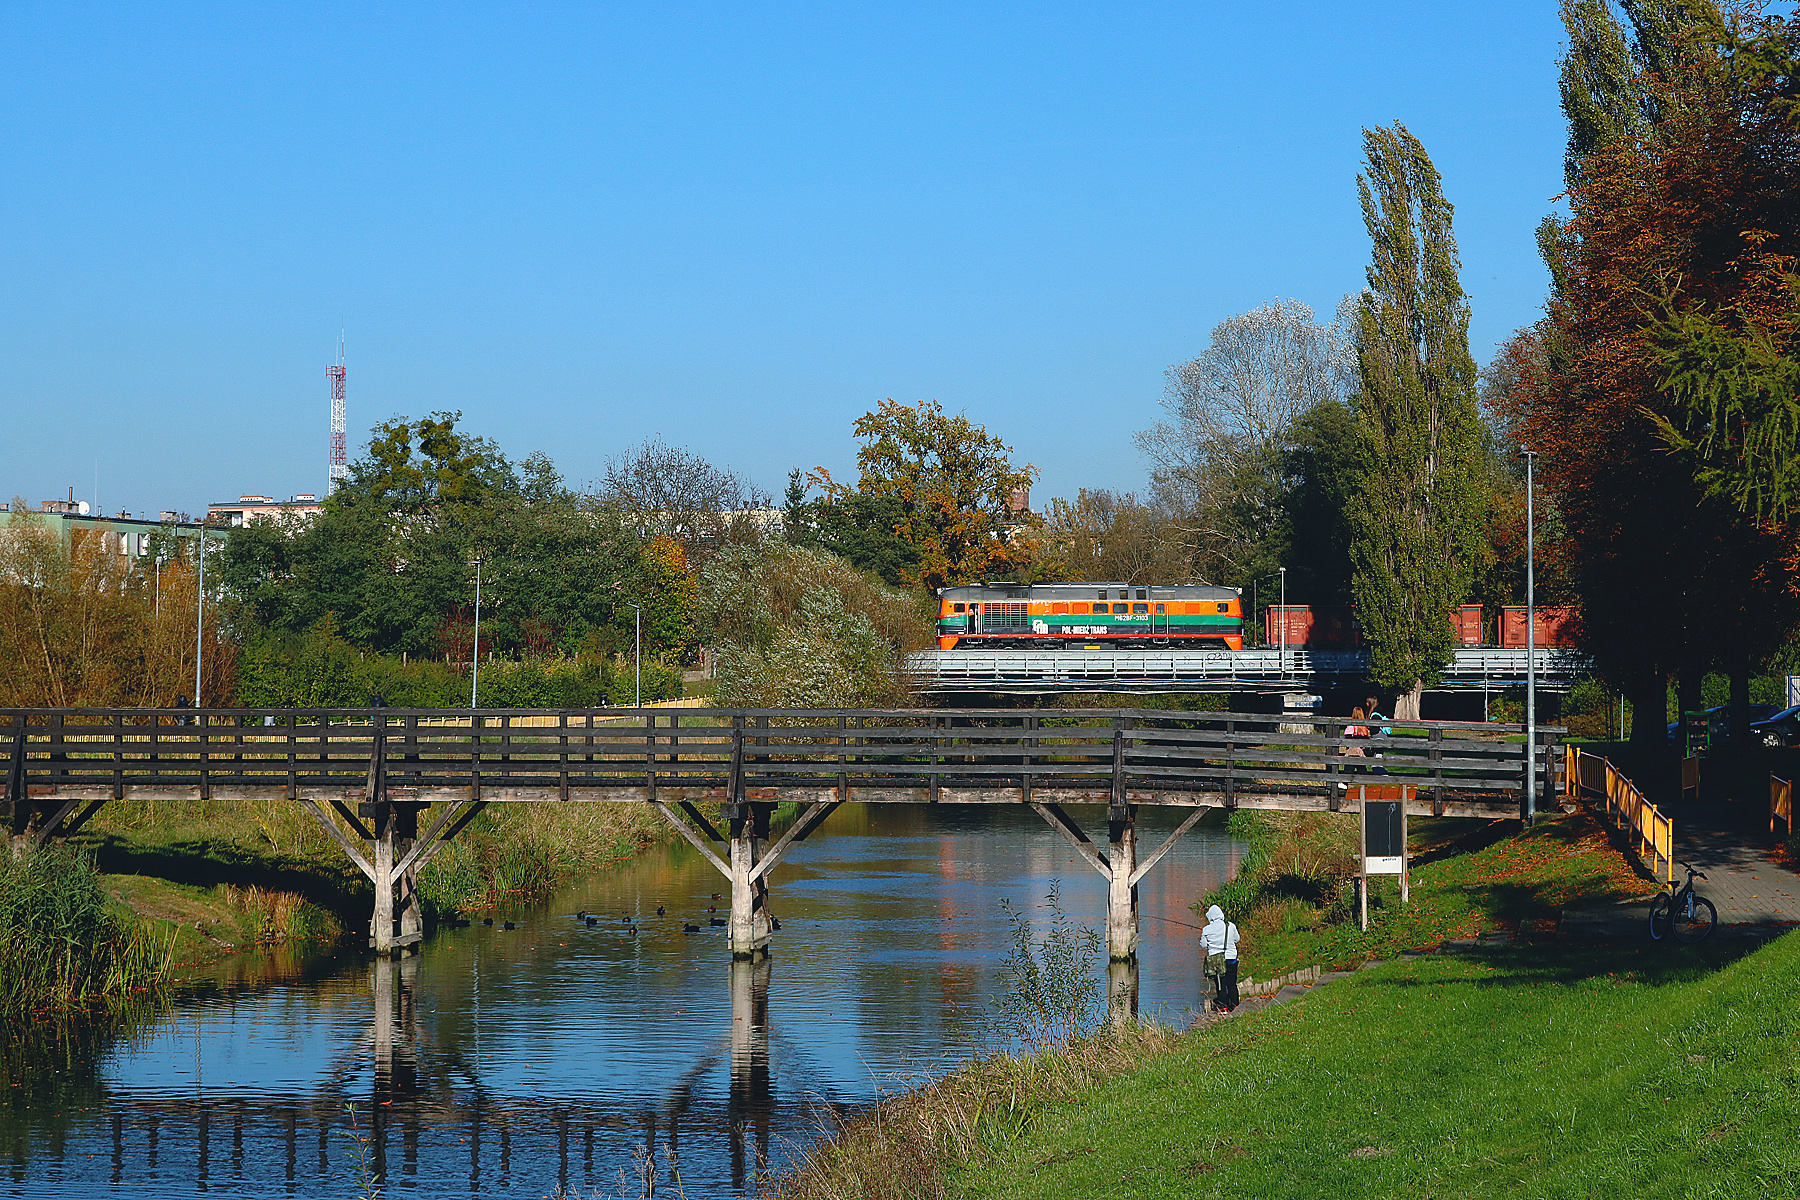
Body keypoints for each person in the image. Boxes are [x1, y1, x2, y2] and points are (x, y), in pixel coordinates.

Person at [1200, 903, 1241, 1013]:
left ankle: (1223, 1007)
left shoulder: (1206, 929)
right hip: (1231, 958)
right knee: (1232, 983)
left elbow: (1203, 945)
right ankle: (1235, 1005)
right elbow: (1237, 939)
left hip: (1216, 960)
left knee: (1220, 984)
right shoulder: (1230, 926)